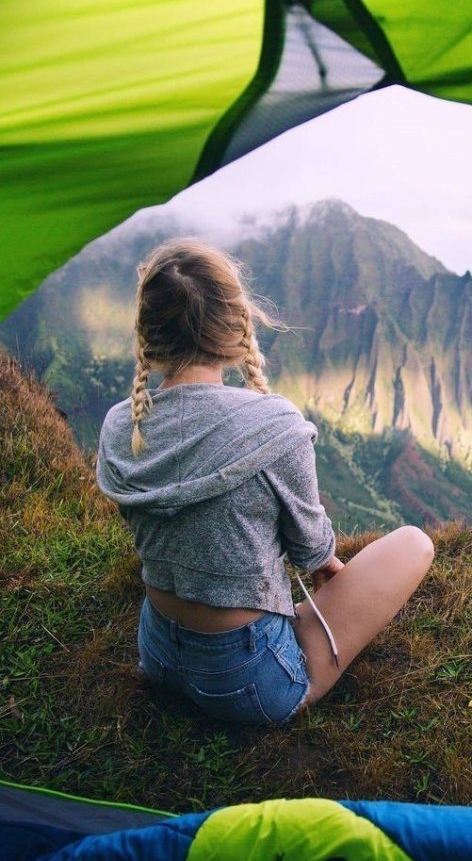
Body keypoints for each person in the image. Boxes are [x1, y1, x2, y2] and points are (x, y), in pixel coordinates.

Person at [95, 237, 434, 725]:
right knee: (413, 543)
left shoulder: (119, 425)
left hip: (157, 652)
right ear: (237, 325)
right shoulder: (275, 426)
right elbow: (312, 549)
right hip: (247, 681)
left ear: (149, 331)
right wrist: (325, 564)